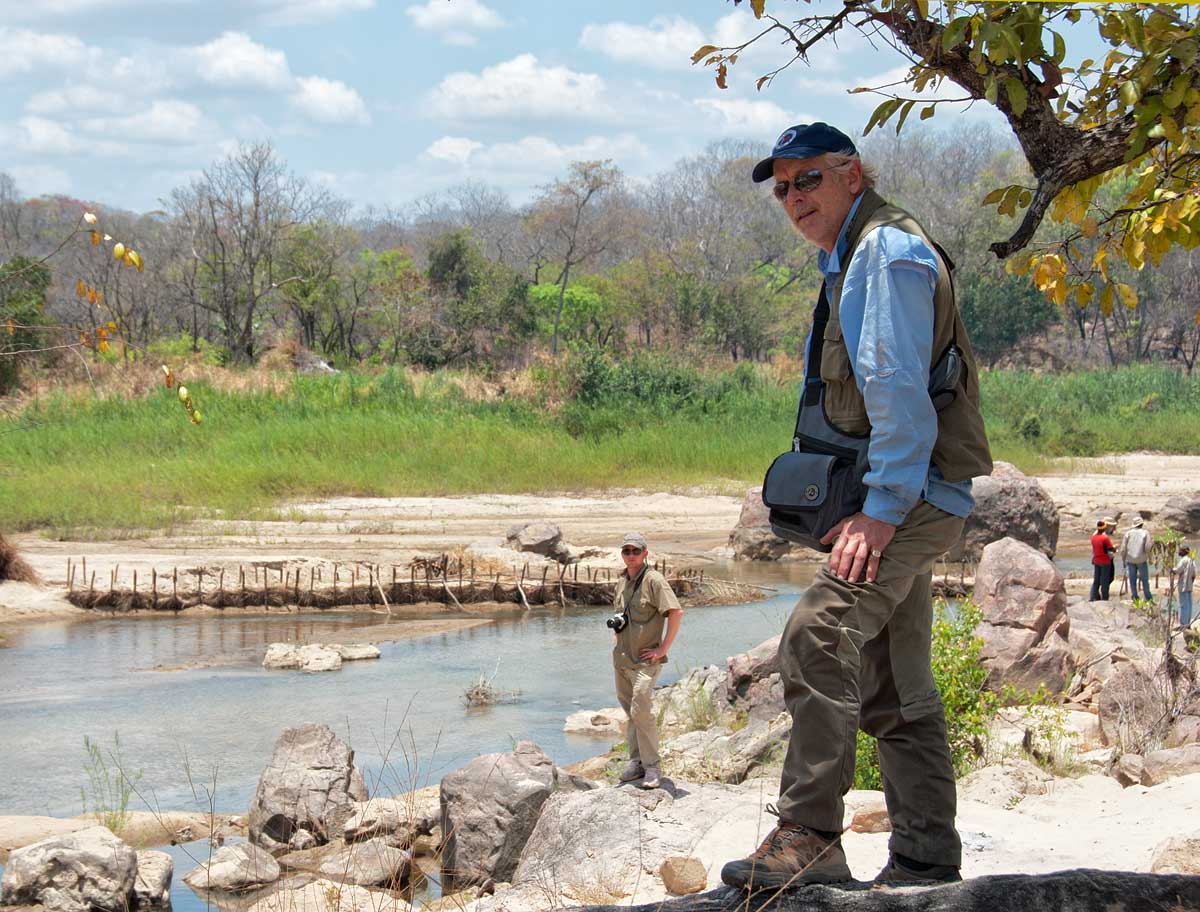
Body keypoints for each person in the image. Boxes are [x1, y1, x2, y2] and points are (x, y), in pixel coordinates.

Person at [721, 123, 992, 892]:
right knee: (894, 688)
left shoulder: (885, 250)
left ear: (852, 173)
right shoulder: (849, 253)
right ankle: (925, 863)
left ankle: (810, 837)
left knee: (817, 635)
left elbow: (898, 390)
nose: (793, 198)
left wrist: (880, 512)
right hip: (898, 491)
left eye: (807, 180)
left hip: (908, 495)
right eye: (782, 188)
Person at [610, 532, 682, 790]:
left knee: (641, 711)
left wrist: (662, 648)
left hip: (645, 661)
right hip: (622, 659)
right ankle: (636, 761)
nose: (630, 555)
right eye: (626, 551)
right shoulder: (622, 580)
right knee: (631, 713)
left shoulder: (654, 580)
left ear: (645, 553)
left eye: (635, 551)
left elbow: (675, 612)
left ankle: (652, 767)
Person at [1120, 517, 1152, 602]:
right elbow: (1148, 547)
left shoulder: (1128, 533)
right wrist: (1150, 558)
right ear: (1141, 524)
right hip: (1141, 559)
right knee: (1145, 580)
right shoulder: (1145, 533)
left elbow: (1123, 548)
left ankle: (1134, 597)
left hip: (1130, 559)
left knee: (1132, 579)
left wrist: (1123, 559)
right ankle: (1148, 598)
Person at [1090, 518, 1117, 602]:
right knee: (1105, 580)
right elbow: (1109, 548)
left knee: (1097, 579)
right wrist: (1115, 548)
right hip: (1105, 560)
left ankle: (1094, 597)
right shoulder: (1104, 537)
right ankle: (1104, 598)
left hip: (1097, 559)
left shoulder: (1093, 537)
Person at [1172, 545, 1196, 627]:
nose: (1178, 552)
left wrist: (1172, 570)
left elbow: (1178, 570)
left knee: (1183, 605)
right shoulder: (1191, 560)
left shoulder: (1183, 561)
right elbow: (1194, 574)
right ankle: (1187, 623)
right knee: (1189, 605)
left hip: (1183, 586)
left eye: (1180, 550)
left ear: (1183, 551)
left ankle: (1183, 624)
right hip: (1189, 586)